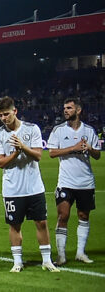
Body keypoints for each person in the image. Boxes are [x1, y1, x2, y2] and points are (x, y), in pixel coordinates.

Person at [0, 96, 59, 272]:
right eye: (0, 115)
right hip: (12, 189)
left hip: (34, 187)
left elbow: (38, 155)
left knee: (41, 223)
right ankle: (17, 262)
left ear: (15, 111)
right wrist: (15, 153)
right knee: (15, 225)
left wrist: (22, 147)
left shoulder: (32, 129)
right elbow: (0, 163)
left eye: (6, 114)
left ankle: (47, 261)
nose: (4, 118)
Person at [47, 97, 99, 265]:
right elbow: (52, 152)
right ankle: (61, 255)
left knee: (84, 216)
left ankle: (80, 253)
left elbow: (97, 155)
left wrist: (89, 148)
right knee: (63, 216)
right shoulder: (58, 130)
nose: (65, 111)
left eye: (69, 108)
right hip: (66, 182)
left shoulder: (89, 131)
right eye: (65, 108)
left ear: (78, 110)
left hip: (85, 182)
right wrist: (73, 148)